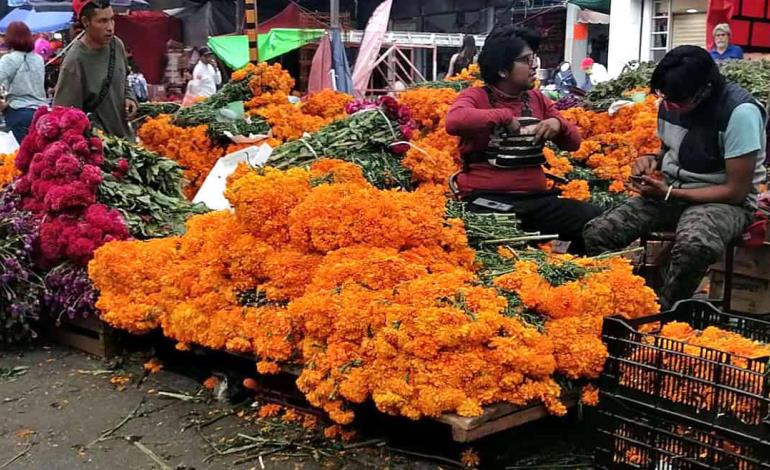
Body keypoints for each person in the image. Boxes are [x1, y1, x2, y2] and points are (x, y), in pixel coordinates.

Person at [584, 46, 767, 309]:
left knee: (695, 246)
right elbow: (669, 148)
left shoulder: (740, 113)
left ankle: (666, 313)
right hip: (672, 192)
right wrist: (650, 159)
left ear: (704, 90)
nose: (669, 107)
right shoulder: (670, 100)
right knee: (599, 232)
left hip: (725, 201)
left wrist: (671, 193)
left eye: (677, 102)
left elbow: (736, 190)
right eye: (664, 99)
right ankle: (622, 301)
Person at [445, 26, 603, 253]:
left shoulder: (537, 98)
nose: (534, 65)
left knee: (596, 221)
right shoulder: (475, 96)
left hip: (536, 201)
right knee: (492, 234)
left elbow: (574, 143)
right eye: (526, 60)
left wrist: (558, 125)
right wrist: (502, 117)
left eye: (534, 58)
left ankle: (572, 273)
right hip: (489, 202)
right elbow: (455, 121)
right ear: (502, 70)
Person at [54, 0, 137, 138]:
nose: (110, 27)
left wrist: (129, 98)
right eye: (102, 21)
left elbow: (124, 80)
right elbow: (64, 115)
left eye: (112, 19)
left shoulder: (116, 45)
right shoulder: (75, 61)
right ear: (86, 22)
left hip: (125, 141)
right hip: (98, 148)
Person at [0, 22, 47, 142]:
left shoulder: (9, 59)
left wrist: (2, 105)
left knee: (21, 156)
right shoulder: (39, 59)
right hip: (43, 113)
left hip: (19, 113)